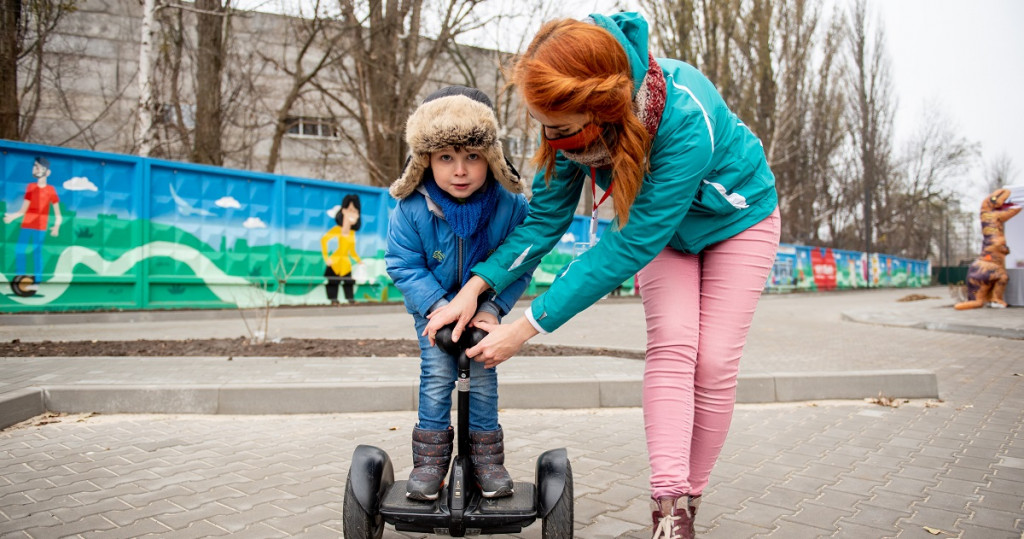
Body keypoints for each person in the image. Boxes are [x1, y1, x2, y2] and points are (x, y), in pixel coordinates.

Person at [424, 14, 781, 538]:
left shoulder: (684, 116)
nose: (553, 138)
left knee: (714, 361)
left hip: (737, 220)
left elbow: (629, 245)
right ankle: (670, 509)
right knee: (674, 345)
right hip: (659, 234)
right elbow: (543, 221)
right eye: (544, 124)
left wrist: (525, 328)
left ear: (606, 108)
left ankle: (692, 493)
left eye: (563, 128)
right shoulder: (567, 130)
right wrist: (475, 287)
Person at [385, 85, 534, 501]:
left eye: (472, 156)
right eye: (445, 158)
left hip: (484, 311)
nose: (460, 171)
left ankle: (485, 459)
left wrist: (493, 308)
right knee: (436, 377)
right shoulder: (412, 208)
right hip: (432, 309)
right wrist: (438, 306)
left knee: (483, 378)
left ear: (491, 157)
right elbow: (402, 264)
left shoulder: (509, 207)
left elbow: (521, 262)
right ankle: (430, 462)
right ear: (425, 160)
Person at [4, 156, 63, 292]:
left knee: (37, 253)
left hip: (40, 227)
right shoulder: (30, 187)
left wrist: (57, 226)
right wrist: (13, 216)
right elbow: (23, 209)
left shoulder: (50, 190)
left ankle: (37, 282)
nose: (34, 169)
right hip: (26, 224)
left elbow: (58, 213)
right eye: (34, 166)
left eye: (38, 167)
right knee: (19, 250)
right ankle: (20, 279)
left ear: (47, 172)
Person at [321, 193, 362, 304]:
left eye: (355, 211)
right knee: (333, 282)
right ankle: (333, 300)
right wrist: (326, 258)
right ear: (343, 211)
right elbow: (324, 240)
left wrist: (359, 261)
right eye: (350, 210)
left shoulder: (352, 233)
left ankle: (350, 300)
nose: (352, 214)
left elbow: (352, 250)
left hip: (345, 262)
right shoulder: (336, 230)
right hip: (334, 262)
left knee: (348, 282)